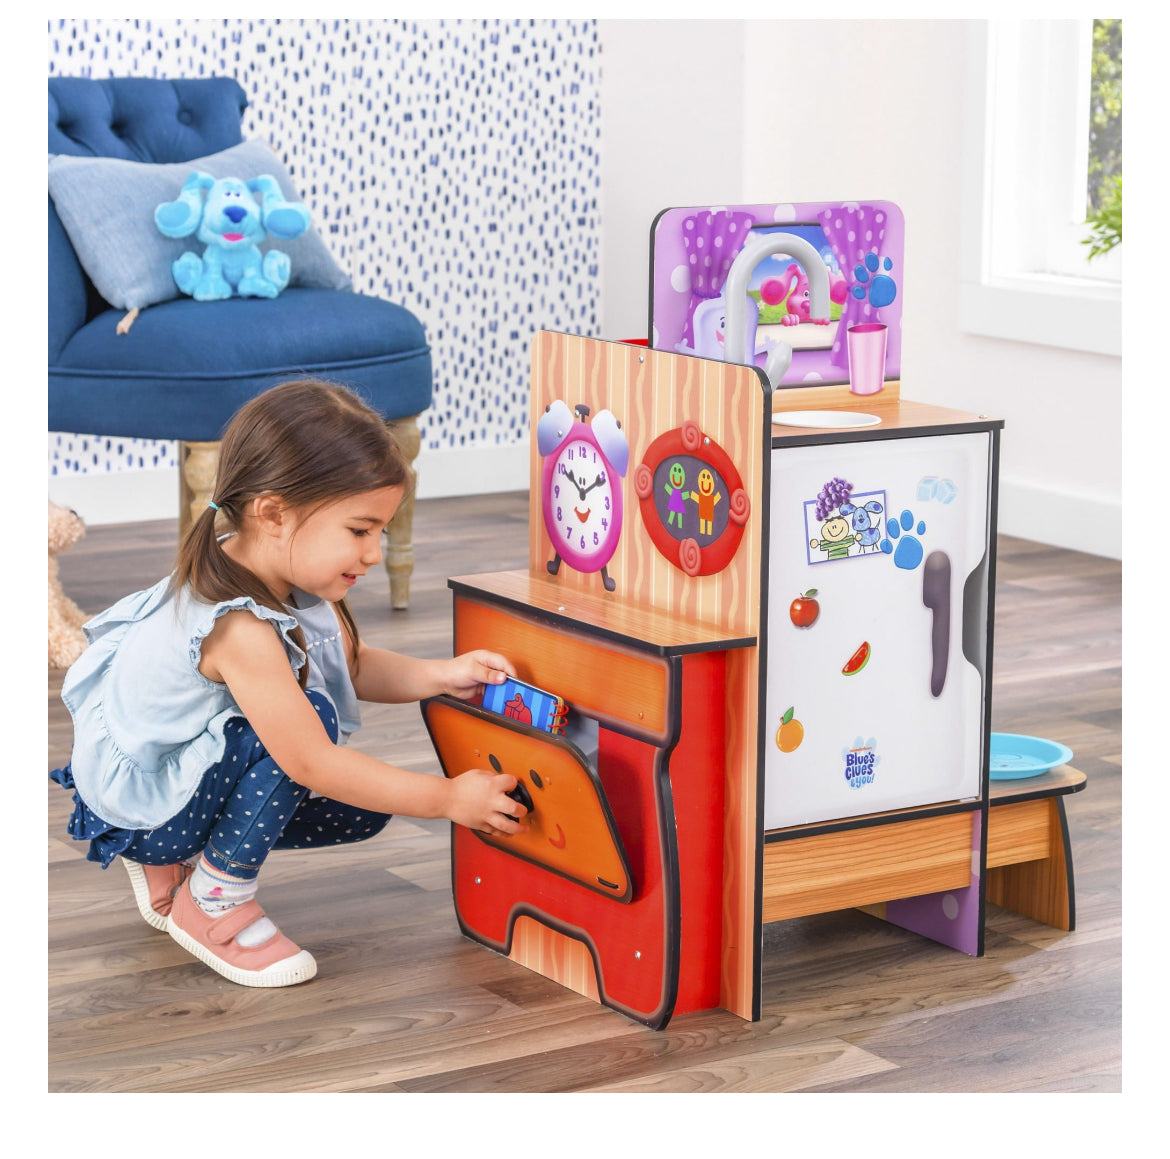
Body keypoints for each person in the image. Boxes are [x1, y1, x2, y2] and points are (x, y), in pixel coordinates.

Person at [50, 379, 528, 988]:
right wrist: (449, 799)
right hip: (144, 814)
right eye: (360, 530)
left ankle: (182, 861)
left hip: (163, 780)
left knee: (361, 809)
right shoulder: (238, 627)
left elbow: (351, 665)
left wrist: (443, 675)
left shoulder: (271, 566)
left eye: (381, 532)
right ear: (273, 513)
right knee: (314, 733)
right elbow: (309, 762)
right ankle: (213, 898)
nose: (374, 553)